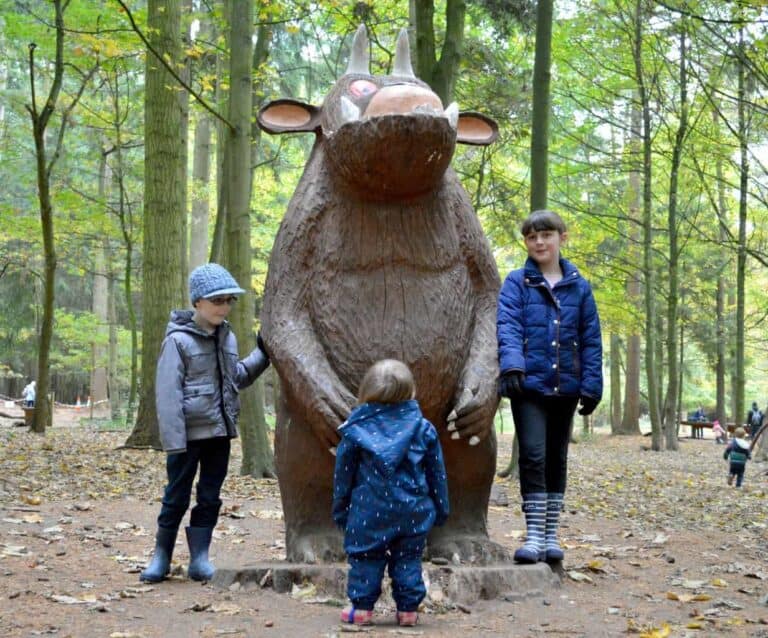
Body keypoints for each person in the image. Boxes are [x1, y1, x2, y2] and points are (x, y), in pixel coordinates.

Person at [140, 263, 270, 583]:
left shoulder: (227, 338)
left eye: (228, 301)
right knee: (176, 495)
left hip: (219, 432)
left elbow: (235, 378)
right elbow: (168, 395)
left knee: (210, 495)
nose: (223, 307)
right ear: (197, 301)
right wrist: (174, 442)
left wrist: (263, 355)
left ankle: (200, 558)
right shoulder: (178, 341)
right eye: (216, 300)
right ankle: (162, 556)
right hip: (187, 437)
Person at [496, 209, 603, 564]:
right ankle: (534, 536)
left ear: (562, 237)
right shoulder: (516, 282)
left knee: (557, 458)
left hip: (566, 388)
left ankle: (551, 535)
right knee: (533, 456)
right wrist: (512, 364)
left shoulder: (580, 286)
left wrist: (592, 385)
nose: (539, 242)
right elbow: (507, 325)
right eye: (531, 237)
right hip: (529, 387)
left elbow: (590, 339)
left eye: (546, 235)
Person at [332, 359, 449, 627]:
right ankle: (408, 610)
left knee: (365, 558)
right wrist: (441, 509)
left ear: (366, 392)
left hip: (368, 510)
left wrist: (341, 509)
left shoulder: (355, 429)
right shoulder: (423, 429)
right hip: (413, 511)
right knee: (408, 558)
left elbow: (343, 474)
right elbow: (437, 473)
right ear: (411, 393)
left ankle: (361, 609)